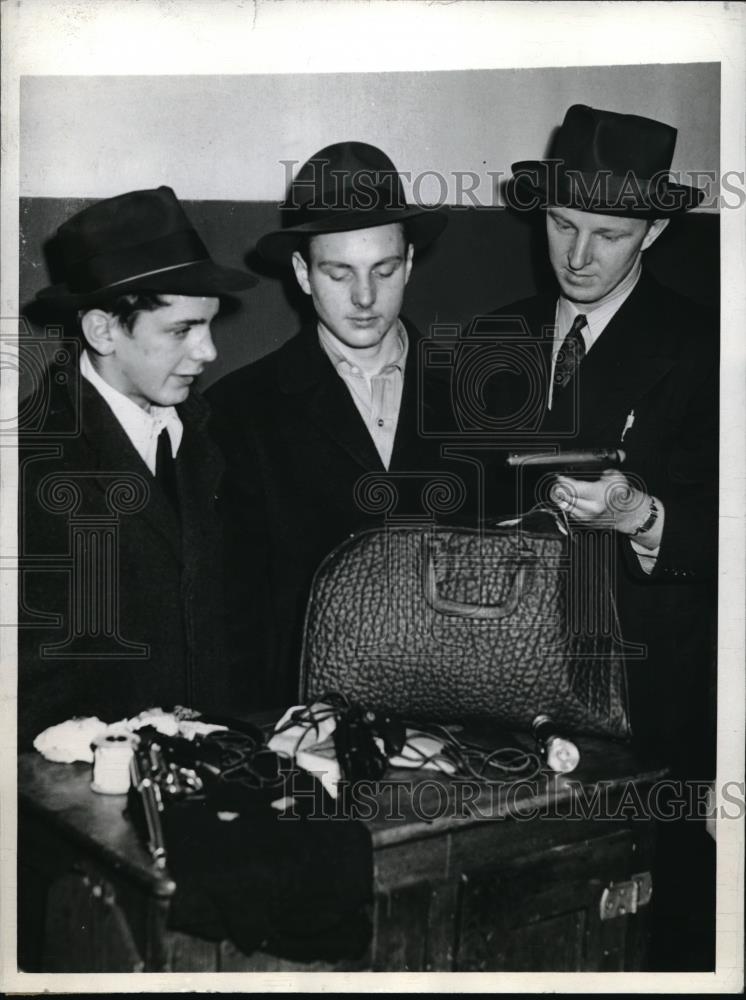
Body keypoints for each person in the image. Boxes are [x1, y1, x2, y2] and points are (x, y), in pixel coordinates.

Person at [483, 105, 718, 968]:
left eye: (608, 235)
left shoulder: (710, 347)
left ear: (652, 230)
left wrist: (637, 517)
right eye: (561, 225)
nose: (577, 257)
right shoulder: (492, 336)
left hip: (646, 701)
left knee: (645, 929)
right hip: (500, 692)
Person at [208, 141, 481, 709]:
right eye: (339, 273)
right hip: (307, 725)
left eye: (383, 269)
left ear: (409, 264)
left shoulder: (482, 398)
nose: (364, 297)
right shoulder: (238, 410)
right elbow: (233, 612)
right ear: (302, 274)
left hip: (463, 716)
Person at [18, 186, 257, 746]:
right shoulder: (32, 463)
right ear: (103, 330)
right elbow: (32, 689)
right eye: (181, 330)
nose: (208, 352)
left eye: (209, 324)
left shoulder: (209, 431)